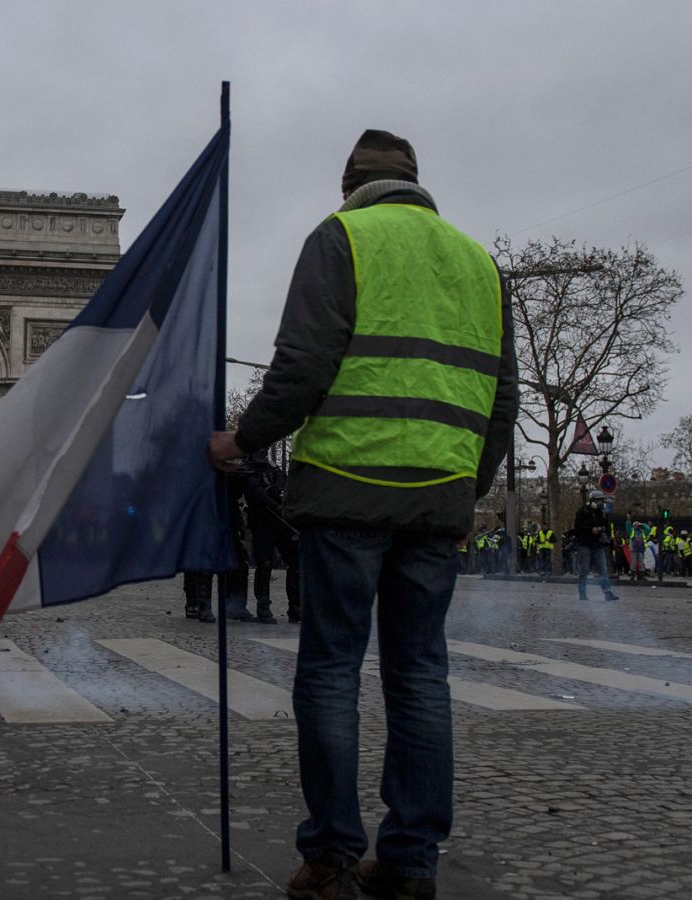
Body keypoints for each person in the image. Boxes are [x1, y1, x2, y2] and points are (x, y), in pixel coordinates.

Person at [205, 129, 516, 899]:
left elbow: (304, 365)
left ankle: (333, 854)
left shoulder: (340, 236)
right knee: (420, 677)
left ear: (350, 185)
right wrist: (466, 489)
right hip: (438, 497)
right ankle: (411, 862)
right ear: (418, 183)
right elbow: (502, 399)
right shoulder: (481, 262)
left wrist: (243, 438)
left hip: (346, 485)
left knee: (333, 671)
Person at [240, 447, 300, 624]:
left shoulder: (272, 468)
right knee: (265, 563)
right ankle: (263, 607)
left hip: (281, 522)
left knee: (296, 561)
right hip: (262, 522)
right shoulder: (247, 469)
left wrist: (282, 498)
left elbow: (284, 485)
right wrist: (274, 503)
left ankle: (296, 607)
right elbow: (255, 494)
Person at [572, 491, 619, 603]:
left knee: (603, 570)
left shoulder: (601, 513)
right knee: (584, 570)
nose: (601, 503)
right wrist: (590, 530)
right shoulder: (582, 511)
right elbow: (577, 527)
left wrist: (602, 531)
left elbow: (605, 526)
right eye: (599, 500)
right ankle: (582, 593)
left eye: (602, 500)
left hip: (597, 544)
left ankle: (608, 593)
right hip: (585, 544)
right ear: (593, 501)